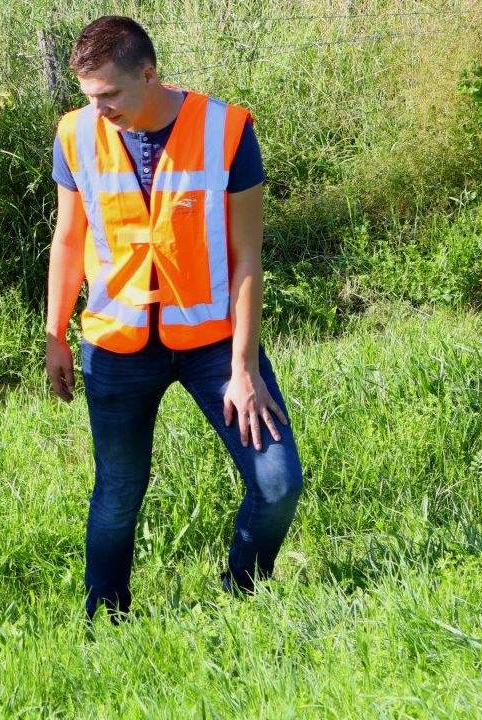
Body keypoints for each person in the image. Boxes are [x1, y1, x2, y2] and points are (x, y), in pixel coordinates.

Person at [45, 16, 304, 622]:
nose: (98, 108)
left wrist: (244, 368)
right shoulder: (75, 134)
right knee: (117, 493)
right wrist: (55, 334)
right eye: (88, 96)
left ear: (149, 73)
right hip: (116, 345)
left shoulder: (227, 130)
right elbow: (66, 240)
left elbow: (247, 255)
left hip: (215, 343)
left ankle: (243, 594)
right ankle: (105, 621)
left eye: (109, 94)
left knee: (278, 482)